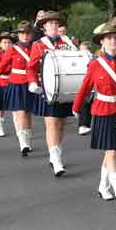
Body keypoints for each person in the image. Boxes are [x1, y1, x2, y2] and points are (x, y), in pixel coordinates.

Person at [72, 17, 116, 209]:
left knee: (112, 151)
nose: (113, 41)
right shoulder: (95, 64)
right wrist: (76, 108)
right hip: (102, 111)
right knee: (111, 152)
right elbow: (85, 88)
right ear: (101, 41)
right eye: (108, 38)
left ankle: (103, 186)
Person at [27, 11, 76, 177]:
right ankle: (55, 157)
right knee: (52, 123)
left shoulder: (68, 42)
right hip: (47, 89)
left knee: (61, 123)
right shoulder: (38, 45)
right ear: (44, 27)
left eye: (56, 23)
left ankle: (56, 150)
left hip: (65, 88)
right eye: (50, 24)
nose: (54, 26)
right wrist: (33, 82)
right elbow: (31, 67)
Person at [0, 21, 35, 156]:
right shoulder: (12, 50)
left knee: (28, 112)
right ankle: (23, 143)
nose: (25, 36)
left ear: (31, 35)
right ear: (18, 35)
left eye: (27, 33)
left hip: (31, 84)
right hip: (17, 83)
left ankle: (28, 136)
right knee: (20, 112)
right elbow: (1, 68)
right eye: (22, 33)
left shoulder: (36, 48)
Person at [76, 41, 94, 136]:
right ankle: (82, 125)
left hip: (89, 84)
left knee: (88, 105)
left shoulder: (93, 58)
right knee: (84, 104)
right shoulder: (75, 58)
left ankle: (85, 125)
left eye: (85, 49)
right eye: (81, 49)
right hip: (78, 83)